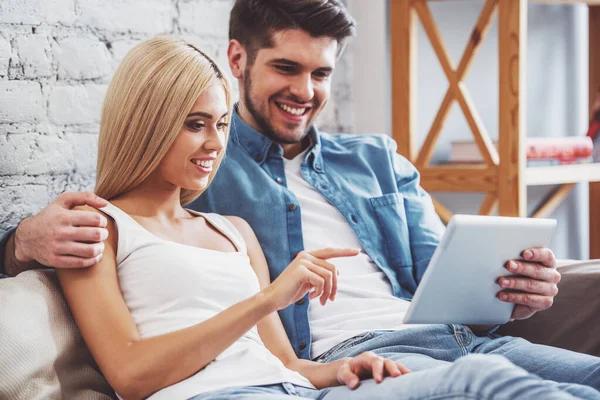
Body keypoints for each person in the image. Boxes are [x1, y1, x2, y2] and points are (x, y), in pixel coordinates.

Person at [1, 0, 599, 396]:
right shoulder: (201, 176)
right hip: (363, 355)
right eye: (287, 68)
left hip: (448, 337)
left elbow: (445, 279)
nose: (305, 92)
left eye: (321, 74)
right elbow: (115, 210)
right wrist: (21, 241)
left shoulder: (374, 159)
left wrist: (512, 295)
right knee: (486, 383)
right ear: (238, 59)